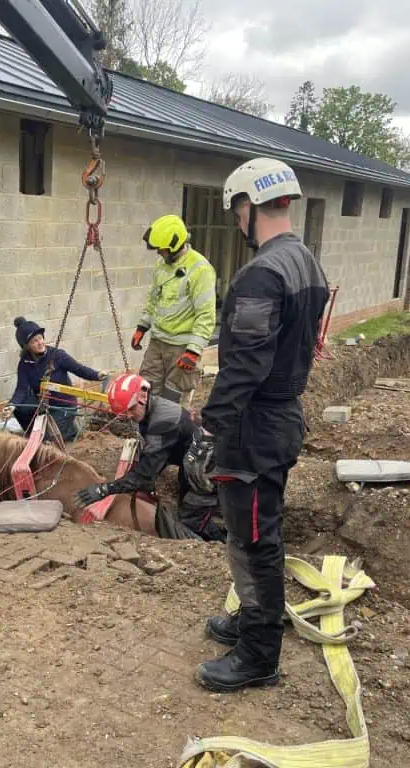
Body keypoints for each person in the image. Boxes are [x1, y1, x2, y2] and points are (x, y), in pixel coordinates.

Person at [196, 157, 329, 693]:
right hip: (279, 417)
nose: (236, 222)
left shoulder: (262, 274)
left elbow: (245, 364)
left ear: (248, 206)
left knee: (254, 541)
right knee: (252, 532)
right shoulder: (306, 262)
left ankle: (258, 656)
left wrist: (210, 426)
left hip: (254, 426)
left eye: (236, 212)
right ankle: (251, 622)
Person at [72, 373, 225, 542]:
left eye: (130, 409)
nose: (128, 416)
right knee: (186, 497)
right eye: (124, 413)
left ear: (143, 397)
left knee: (192, 520)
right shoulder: (149, 408)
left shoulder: (163, 421)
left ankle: (220, 547)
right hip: (191, 459)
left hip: (211, 463)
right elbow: (153, 453)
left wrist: (104, 490)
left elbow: (143, 476)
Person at [131, 214, 217, 404]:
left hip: (182, 347)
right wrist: (142, 327)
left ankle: (174, 434)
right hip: (158, 342)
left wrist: (193, 351)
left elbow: (206, 316)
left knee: (173, 401)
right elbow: (153, 299)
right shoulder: (161, 265)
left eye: (161, 249)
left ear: (174, 245)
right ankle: (147, 433)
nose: (159, 253)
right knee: (146, 392)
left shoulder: (200, 270)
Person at [4, 316, 106, 444]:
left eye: (40, 338)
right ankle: (31, 435)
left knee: (48, 437)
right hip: (44, 404)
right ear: (26, 346)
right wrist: (12, 405)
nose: (40, 342)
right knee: (20, 409)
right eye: (34, 341)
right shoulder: (24, 363)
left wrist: (97, 375)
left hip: (63, 405)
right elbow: (22, 388)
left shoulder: (57, 355)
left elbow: (79, 369)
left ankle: (70, 430)